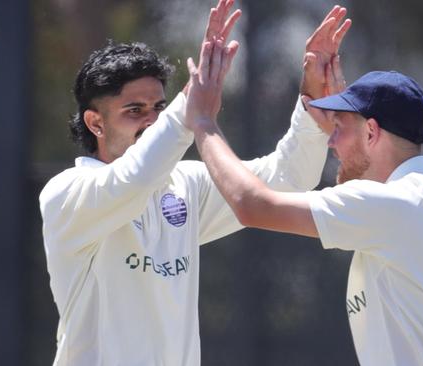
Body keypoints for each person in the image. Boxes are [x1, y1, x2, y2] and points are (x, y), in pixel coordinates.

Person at [38, 0, 350, 364]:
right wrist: (190, 106)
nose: (152, 120)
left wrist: (311, 106)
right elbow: (133, 180)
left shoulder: (183, 184)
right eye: (134, 111)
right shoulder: (68, 195)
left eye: (159, 107)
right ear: (96, 123)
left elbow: (287, 178)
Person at [186, 41, 423, 364]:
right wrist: (342, 116)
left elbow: (252, 205)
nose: (330, 141)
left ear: (371, 133)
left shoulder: (393, 204)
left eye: (339, 128)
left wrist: (204, 123)